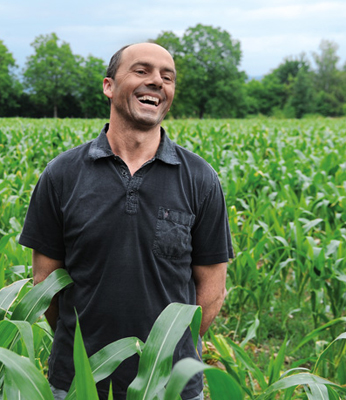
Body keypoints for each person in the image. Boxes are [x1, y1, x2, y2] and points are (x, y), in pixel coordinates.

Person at [19, 42, 233, 400]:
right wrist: (83, 350)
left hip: (172, 386)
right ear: (109, 86)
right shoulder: (63, 174)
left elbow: (211, 291)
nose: (157, 82)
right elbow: (46, 285)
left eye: (168, 77)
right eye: (142, 71)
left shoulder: (200, 178)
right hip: (79, 383)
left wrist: (171, 346)